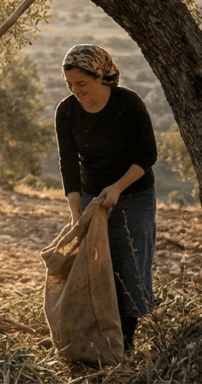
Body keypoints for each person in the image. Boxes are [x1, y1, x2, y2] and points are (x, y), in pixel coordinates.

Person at [55, 44, 157, 354]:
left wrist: (118, 187)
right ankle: (96, 338)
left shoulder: (128, 103)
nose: (76, 91)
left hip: (133, 195)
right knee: (96, 269)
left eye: (82, 84)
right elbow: (68, 164)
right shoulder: (67, 110)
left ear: (102, 77)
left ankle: (124, 346)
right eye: (70, 84)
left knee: (129, 267)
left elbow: (147, 154)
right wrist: (76, 211)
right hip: (91, 197)